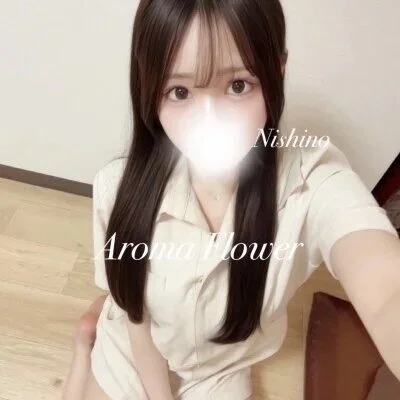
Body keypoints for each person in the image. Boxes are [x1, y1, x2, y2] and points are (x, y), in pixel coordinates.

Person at [62, 0, 400, 399]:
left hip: (220, 370)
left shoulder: (312, 184)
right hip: (134, 351)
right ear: (149, 89)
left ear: (277, 71)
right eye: (180, 91)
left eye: (238, 85)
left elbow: (386, 292)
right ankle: (84, 348)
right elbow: (135, 314)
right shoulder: (118, 189)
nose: (210, 122)